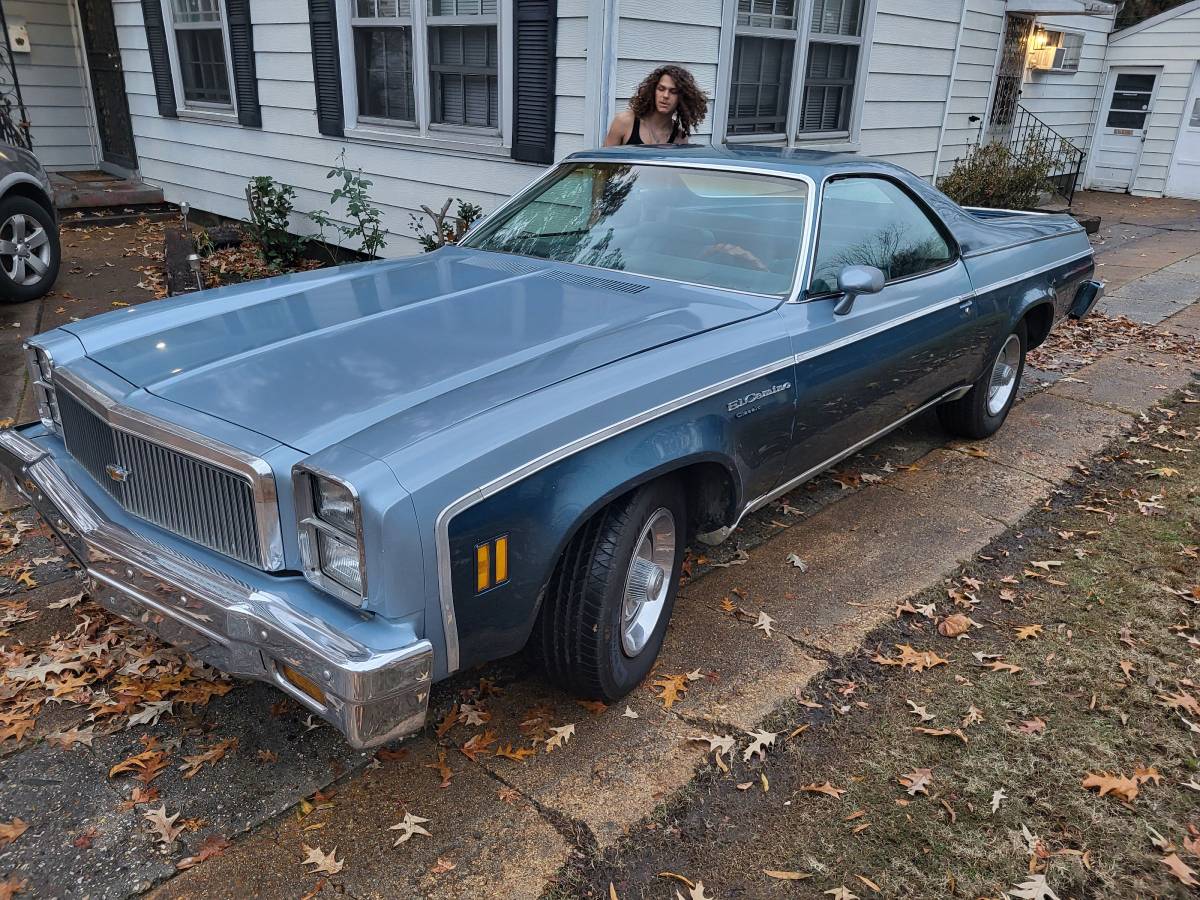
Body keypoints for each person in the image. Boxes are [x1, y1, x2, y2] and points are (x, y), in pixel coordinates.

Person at [604, 65, 707, 147]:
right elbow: (603, 167)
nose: (665, 96)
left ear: (682, 98)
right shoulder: (625, 122)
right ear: (653, 91)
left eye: (673, 91)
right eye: (661, 89)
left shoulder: (679, 138)